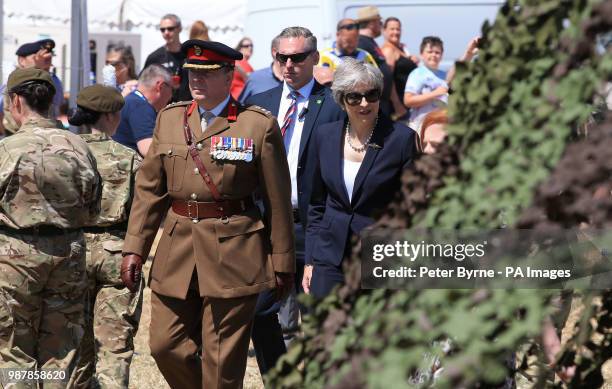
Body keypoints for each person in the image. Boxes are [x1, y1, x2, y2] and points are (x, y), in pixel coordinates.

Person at [120, 39, 295, 389]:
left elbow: (277, 200)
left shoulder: (256, 125)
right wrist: (134, 246)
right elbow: (150, 191)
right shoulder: (169, 119)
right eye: (191, 73)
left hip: (234, 250)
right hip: (178, 248)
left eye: (207, 73)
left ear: (230, 74)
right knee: (164, 345)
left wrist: (283, 260)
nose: (195, 80)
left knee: (221, 361)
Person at [246, 26, 345, 372]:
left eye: (298, 57)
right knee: (261, 311)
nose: (289, 64)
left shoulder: (334, 106)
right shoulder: (260, 105)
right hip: (268, 224)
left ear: (314, 58)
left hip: (315, 224)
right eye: (282, 57)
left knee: (319, 316)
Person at [0, 68, 101, 385]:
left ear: (16, 101)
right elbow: (93, 209)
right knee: (61, 352)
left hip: (16, 258)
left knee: (14, 351)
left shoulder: (8, 150)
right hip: (68, 255)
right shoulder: (79, 147)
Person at [303, 58, 417, 298]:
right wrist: (310, 259)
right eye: (355, 97)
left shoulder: (401, 139)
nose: (364, 103)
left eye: (371, 95)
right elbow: (317, 204)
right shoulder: (325, 136)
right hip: (329, 256)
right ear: (342, 100)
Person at [69, 85, 144, 389]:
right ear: (112, 116)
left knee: (75, 344)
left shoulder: (65, 153)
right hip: (117, 252)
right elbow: (144, 211)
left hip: (73, 251)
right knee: (115, 344)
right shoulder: (129, 158)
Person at [404, 36, 479, 128]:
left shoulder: (444, 75)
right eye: (430, 52)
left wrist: (469, 52)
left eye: (437, 52)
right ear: (421, 54)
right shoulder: (417, 74)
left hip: (441, 126)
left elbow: (457, 68)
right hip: (420, 126)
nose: (433, 55)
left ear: (442, 55)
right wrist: (435, 93)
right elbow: (408, 101)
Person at [1, 39, 64, 134]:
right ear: (22, 60)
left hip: (49, 135)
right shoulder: (11, 82)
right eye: (37, 57)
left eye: (48, 57)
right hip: (16, 136)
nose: (44, 60)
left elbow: (57, 109)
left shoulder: (54, 81)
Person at [356, 6, 407, 119]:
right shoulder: (361, 43)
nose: (381, 25)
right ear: (372, 23)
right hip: (373, 104)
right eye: (380, 22)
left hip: (381, 103)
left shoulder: (370, 42)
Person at [113, 64, 173, 157]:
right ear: (160, 86)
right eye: (172, 89)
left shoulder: (131, 100)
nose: (171, 96)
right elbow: (149, 150)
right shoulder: (140, 106)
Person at [143, 14, 191, 102]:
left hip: (187, 107)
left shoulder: (189, 54)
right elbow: (143, 84)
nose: (166, 32)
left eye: (170, 29)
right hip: (163, 109)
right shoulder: (154, 57)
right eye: (162, 30)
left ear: (179, 28)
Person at [238, 35, 283, 104]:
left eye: (251, 46)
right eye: (246, 46)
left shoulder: (249, 66)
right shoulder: (237, 63)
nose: (250, 48)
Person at [381, 17, 418, 99]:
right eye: (392, 29)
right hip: (399, 102)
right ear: (384, 31)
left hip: (408, 99)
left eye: (398, 29)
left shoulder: (400, 48)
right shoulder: (388, 50)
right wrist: (397, 104)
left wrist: (411, 60)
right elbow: (388, 80)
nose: (396, 32)